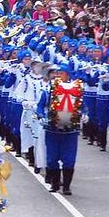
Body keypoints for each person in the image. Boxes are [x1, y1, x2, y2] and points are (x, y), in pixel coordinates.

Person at [37, 65, 83, 195]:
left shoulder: (77, 89)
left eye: (61, 73)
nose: (57, 75)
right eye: (56, 73)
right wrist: (41, 116)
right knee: (52, 159)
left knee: (69, 160)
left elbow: (83, 106)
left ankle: (67, 186)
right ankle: (55, 183)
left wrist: (84, 114)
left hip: (70, 132)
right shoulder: (48, 90)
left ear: (68, 75)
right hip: (52, 130)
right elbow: (40, 106)